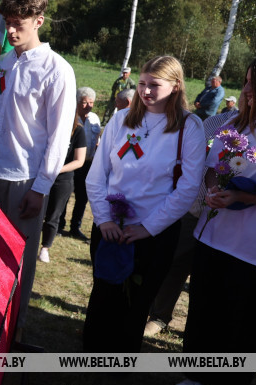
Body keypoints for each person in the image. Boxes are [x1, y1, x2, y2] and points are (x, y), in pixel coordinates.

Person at [0, 0, 76, 338]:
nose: (10, 31)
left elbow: (59, 138)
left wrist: (41, 188)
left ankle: (12, 330)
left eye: (18, 24)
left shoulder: (58, 70)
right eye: (7, 23)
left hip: (24, 180)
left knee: (16, 261)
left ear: (39, 21)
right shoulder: (2, 63)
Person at [83, 55, 204, 353]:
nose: (145, 91)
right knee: (104, 291)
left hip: (155, 234)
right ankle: (92, 350)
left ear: (176, 86)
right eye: (141, 84)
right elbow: (97, 175)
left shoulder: (189, 127)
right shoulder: (122, 119)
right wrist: (104, 220)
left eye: (154, 85)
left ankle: (120, 359)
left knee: (137, 301)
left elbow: (188, 188)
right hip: (110, 226)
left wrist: (147, 228)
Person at [179, 60, 256, 385]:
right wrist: (213, 189)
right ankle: (195, 377)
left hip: (249, 250)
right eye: (247, 81)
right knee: (202, 310)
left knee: (237, 322)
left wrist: (249, 199)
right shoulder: (236, 126)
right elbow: (213, 166)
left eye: (255, 83)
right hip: (212, 236)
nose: (247, 90)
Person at [144, 92, 242, 338]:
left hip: (233, 220)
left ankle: (204, 333)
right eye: (246, 84)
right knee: (174, 263)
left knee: (212, 280)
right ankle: (158, 315)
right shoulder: (215, 123)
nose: (248, 91)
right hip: (195, 208)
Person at [38, 112, 87, 263]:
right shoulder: (46, 126)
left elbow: (79, 161)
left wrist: (57, 169)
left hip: (62, 179)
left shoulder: (78, 131)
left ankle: (45, 247)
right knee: (36, 212)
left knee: (53, 215)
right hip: (41, 175)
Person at [61, 87, 102, 241]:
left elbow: (97, 138)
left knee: (82, 197)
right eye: (85, 102)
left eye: (91, 102)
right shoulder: (70, 118)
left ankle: (75, 227)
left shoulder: (95, 119)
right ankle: (59, 223)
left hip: (88, 164)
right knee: (65, 195)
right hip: (72, 162)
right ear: (77, 102)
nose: (88, 106)